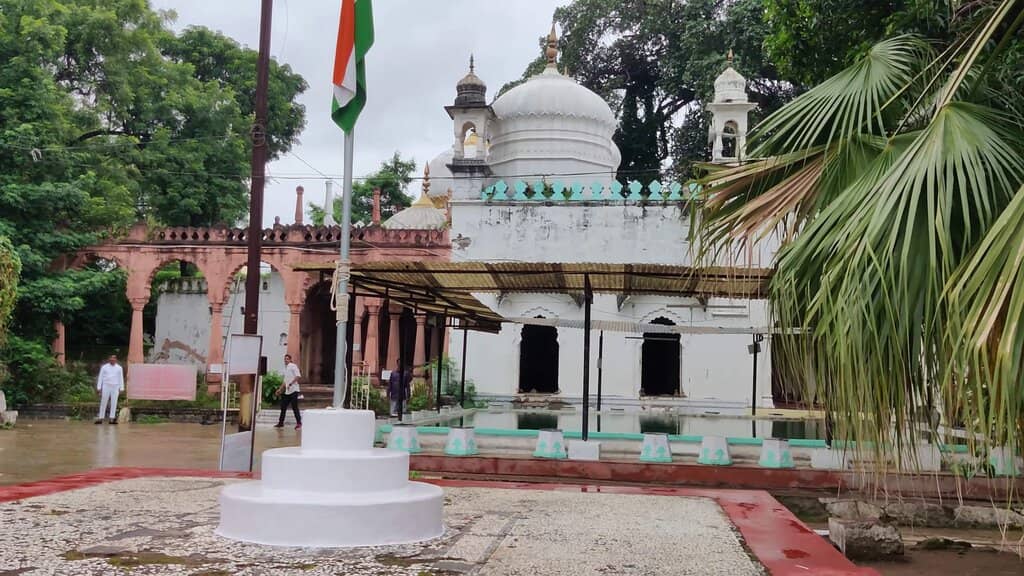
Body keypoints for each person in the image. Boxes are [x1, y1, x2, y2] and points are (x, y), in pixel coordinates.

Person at [275, 354, 302, 430]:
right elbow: (284, 382)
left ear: (290, 359)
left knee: (294, 407)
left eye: (287, 359)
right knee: (283, 407)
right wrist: (279, 390)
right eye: (285, 359)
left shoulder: (293, 366)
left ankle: (299, 423)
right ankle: (281, 423)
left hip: (294, 390)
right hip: (287, 391)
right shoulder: (285, 369)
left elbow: (298, 376)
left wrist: (291, 383)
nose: (285, 360)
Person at [95, 355, 124, 424]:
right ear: (109, 359)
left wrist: (121, 388)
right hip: (106, 386)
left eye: (113, 360)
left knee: (114, 402)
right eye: (111, 359)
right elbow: (100, 377)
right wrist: (99, 387)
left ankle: (112, 418)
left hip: (115, 387)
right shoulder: (104, 367)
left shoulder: (119, 368)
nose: (112, 361)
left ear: (116, 360)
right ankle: (100, 418)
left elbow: (121, 378)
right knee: (103, 402)